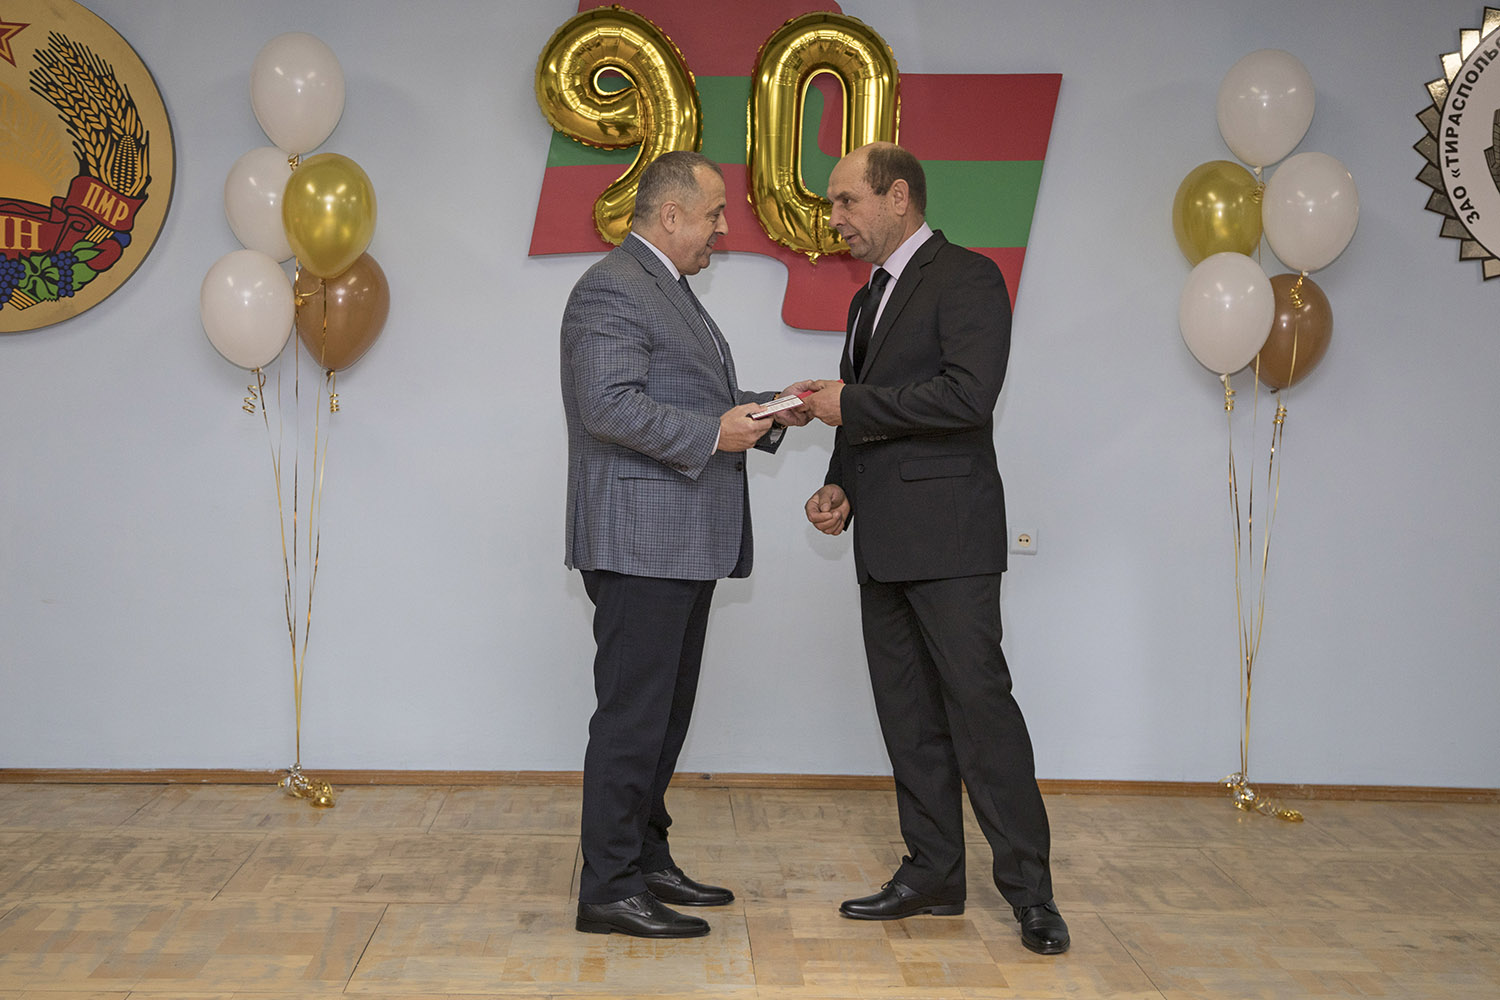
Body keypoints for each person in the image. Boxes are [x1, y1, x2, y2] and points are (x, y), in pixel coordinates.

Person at [799, 142, 1069, 955]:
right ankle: (933, 874)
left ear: (899, 197)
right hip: (882, 541)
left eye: (846, 200)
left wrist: (851, 404)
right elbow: (867, 416)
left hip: (950, 540)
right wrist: (840, 482)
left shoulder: (969, 277)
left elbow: (966, 396)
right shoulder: (866, 299)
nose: (835, 218)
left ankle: (1032, 894)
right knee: (908, 718)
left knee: (981, 717)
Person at [560, 150, 811, 939]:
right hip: (642, 543)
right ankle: (608, 888)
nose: (723, 229)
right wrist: (713, 433)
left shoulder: (666, 288)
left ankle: (644, 857)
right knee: (634, 719)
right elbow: (607, 406)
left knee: (663, 717)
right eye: (713, 214)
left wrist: (771, 408)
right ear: (670, 216)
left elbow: (698, 399)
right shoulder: (612, 287)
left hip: (678, 543)